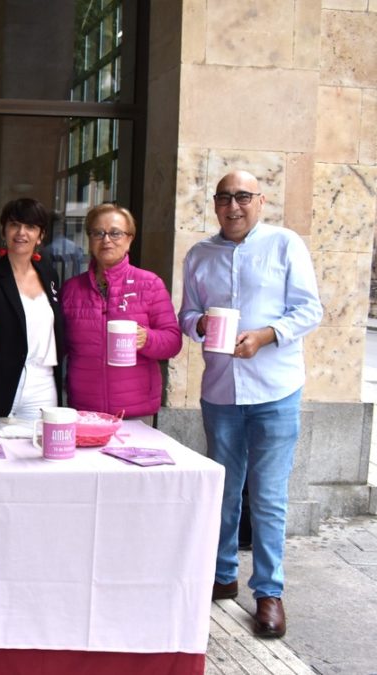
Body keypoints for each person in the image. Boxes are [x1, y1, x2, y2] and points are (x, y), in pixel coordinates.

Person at [180, 170, 322, 638]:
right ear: (215, 204)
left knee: (267, 496)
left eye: (243, 196)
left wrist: (265, 336)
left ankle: (268, 593)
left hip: (275, 390)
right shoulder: (200, 254)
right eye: (225, 198)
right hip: (220, 390)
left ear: (261, 201)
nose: (233, 206)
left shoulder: (285, 245)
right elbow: (187, 314)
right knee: (223, 489)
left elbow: (309, 309)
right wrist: (202, 326)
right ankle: (222, 577)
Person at [61, 204, 181, 423]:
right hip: (85, 412)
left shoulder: (150, 283)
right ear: (89, 239)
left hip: (136, 411)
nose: (106, 239)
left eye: (115, 233)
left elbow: (173, 341)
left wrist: (147, 338)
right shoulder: (72, 289)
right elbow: (60, 346)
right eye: (98, 233)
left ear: (129, 239)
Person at [0, 199, 64, 421]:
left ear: (41, 235)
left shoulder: (49, 276)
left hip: (42, 386)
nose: (21, 232)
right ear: (4, 230)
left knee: (34, 453)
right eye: (14, 224)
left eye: (30, 227)